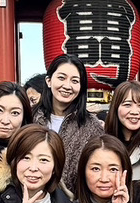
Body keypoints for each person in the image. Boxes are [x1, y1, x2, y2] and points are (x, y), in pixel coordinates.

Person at [33, 55, 105, 192]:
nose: (67, 86)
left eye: (75, 81)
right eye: (61, 78)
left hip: (75, 201)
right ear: (49, 81)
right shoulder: (30, 119)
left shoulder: (92, 126)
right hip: (32, 198)